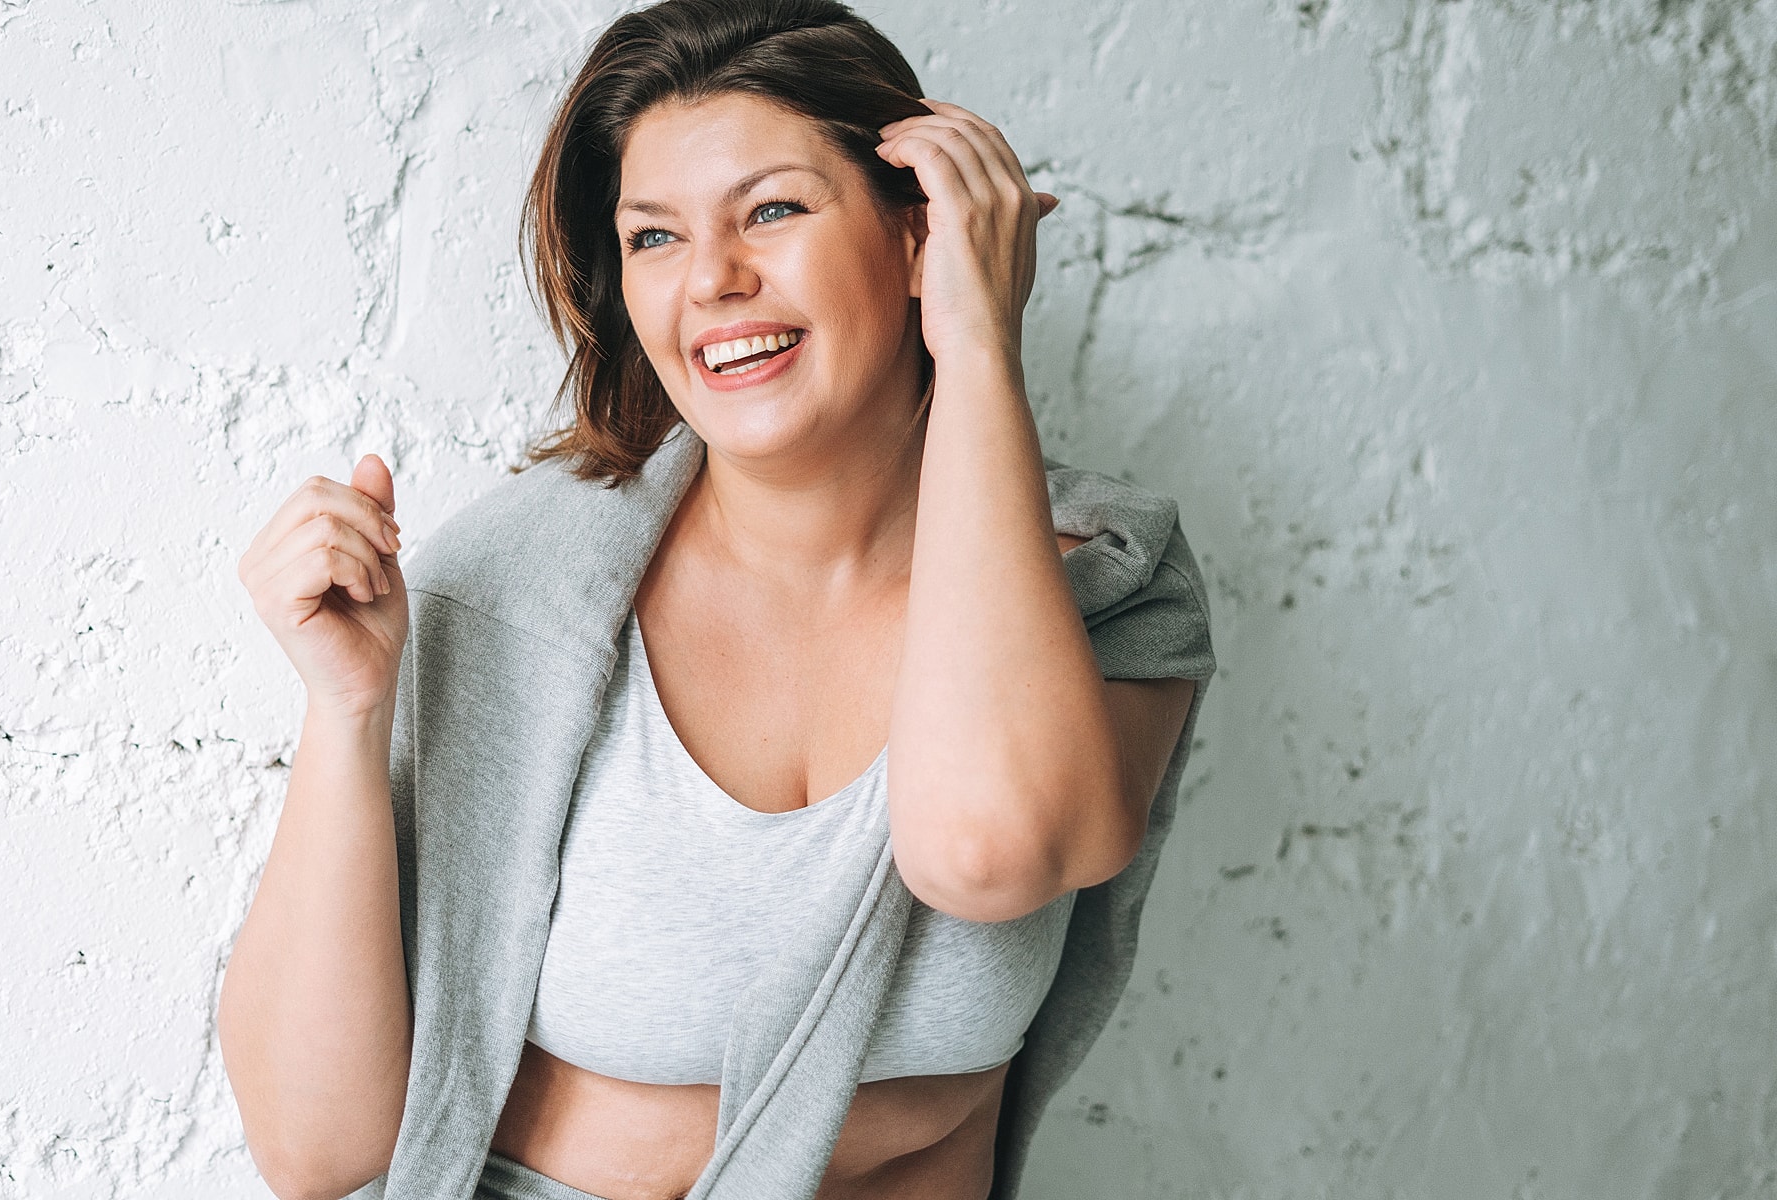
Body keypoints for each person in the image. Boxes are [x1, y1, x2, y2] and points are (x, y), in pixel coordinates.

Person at [215, 1, 1215, 1198]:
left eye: (774, 211)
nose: (714, 283)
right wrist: (346, 706)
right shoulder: (519, 593)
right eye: (654, 239)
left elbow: (990, 853)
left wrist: (980, 344)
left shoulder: (1103, 576)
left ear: (920, 236)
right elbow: (319, 1148)